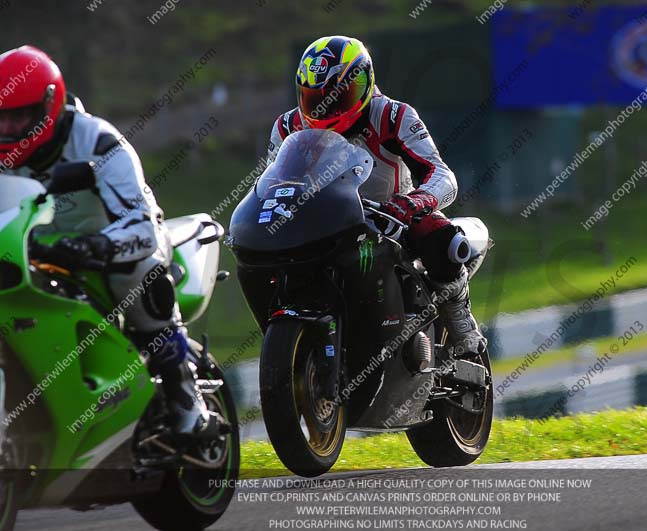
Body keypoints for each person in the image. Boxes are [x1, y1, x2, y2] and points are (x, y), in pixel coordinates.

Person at [0, 45, 221, 438]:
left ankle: (189, 404)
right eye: (1, 118)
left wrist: (95, 247)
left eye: (19, 117)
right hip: (31, 251)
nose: (8, 129)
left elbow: (142, 226)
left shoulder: (99, 143)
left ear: (49, 105)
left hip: (116, 245)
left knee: (138, 277)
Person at [265, 35, 486, 356]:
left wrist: (413, 202)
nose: (326, 107)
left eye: (339, 96)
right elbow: (268, 184)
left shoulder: (393, 116)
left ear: (365, 82)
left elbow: (443, 175)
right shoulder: (287, 127)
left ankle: (460, 317)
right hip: (319, 224)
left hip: (391, 220)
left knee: (441, 236)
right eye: (315, 98)